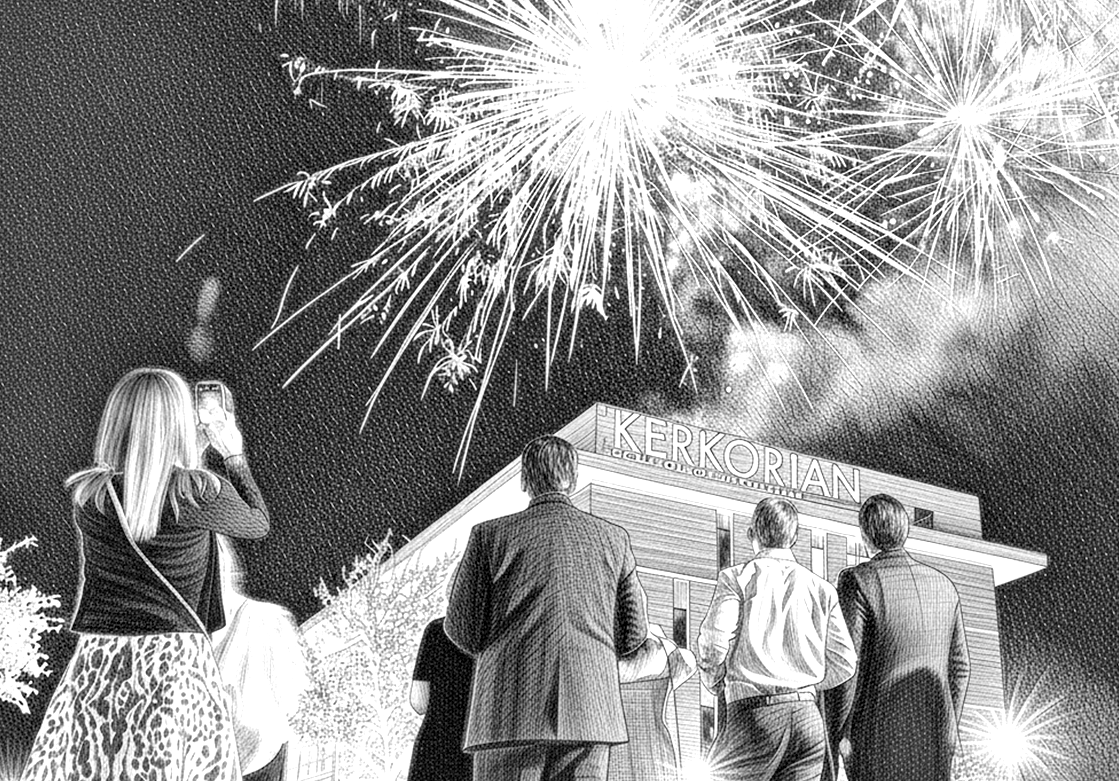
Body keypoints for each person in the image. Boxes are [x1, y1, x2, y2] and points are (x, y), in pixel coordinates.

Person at [21, 367, 269, 781]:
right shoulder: (200, 491)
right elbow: (257, 523)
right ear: (180, 424)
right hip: (173, 662)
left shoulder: (90, 496)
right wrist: (232, 455)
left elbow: (145, 494)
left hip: (98, 663)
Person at [444, 435, 650, 781]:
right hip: (591, 711)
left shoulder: (489, 536)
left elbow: (460, 627)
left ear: (525, 480)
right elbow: (634, 632)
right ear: (573, 479)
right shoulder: (614, 539)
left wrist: (501, 653)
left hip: (508, 713)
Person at [697, 497, 856, 781]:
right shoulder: (822, 589)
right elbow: (844, 662)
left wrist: (715, 681)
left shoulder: (736, 578)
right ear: (793, 538)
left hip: (753, 716)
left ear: (752, 534)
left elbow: (713, 643)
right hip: (808, 720)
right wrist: (807, 685)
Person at [824, 494, 971, 781]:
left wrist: (835, 735)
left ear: (866, 535)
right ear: (904, 531)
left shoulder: (858, 580)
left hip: (877, 739)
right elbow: (961, 667)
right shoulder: (944, 585)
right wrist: (949, 726)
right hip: (935, 738)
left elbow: (846, 666)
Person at [212, 535, 309, 781]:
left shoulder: (267, 619)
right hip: (249, 759)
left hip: (255, 761)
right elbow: (294, 699)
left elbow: (295, 700)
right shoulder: (270, 618)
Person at [608, 623, 697, 781]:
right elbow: (688, 664)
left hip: (614, 758)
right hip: (657, 758)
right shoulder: (667, 654)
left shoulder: (598, 658)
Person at [406, 616, 475, 781]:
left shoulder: (437, 630)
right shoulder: (503, 630)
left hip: (438, 744)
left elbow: (419, 703)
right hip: (480, 746)